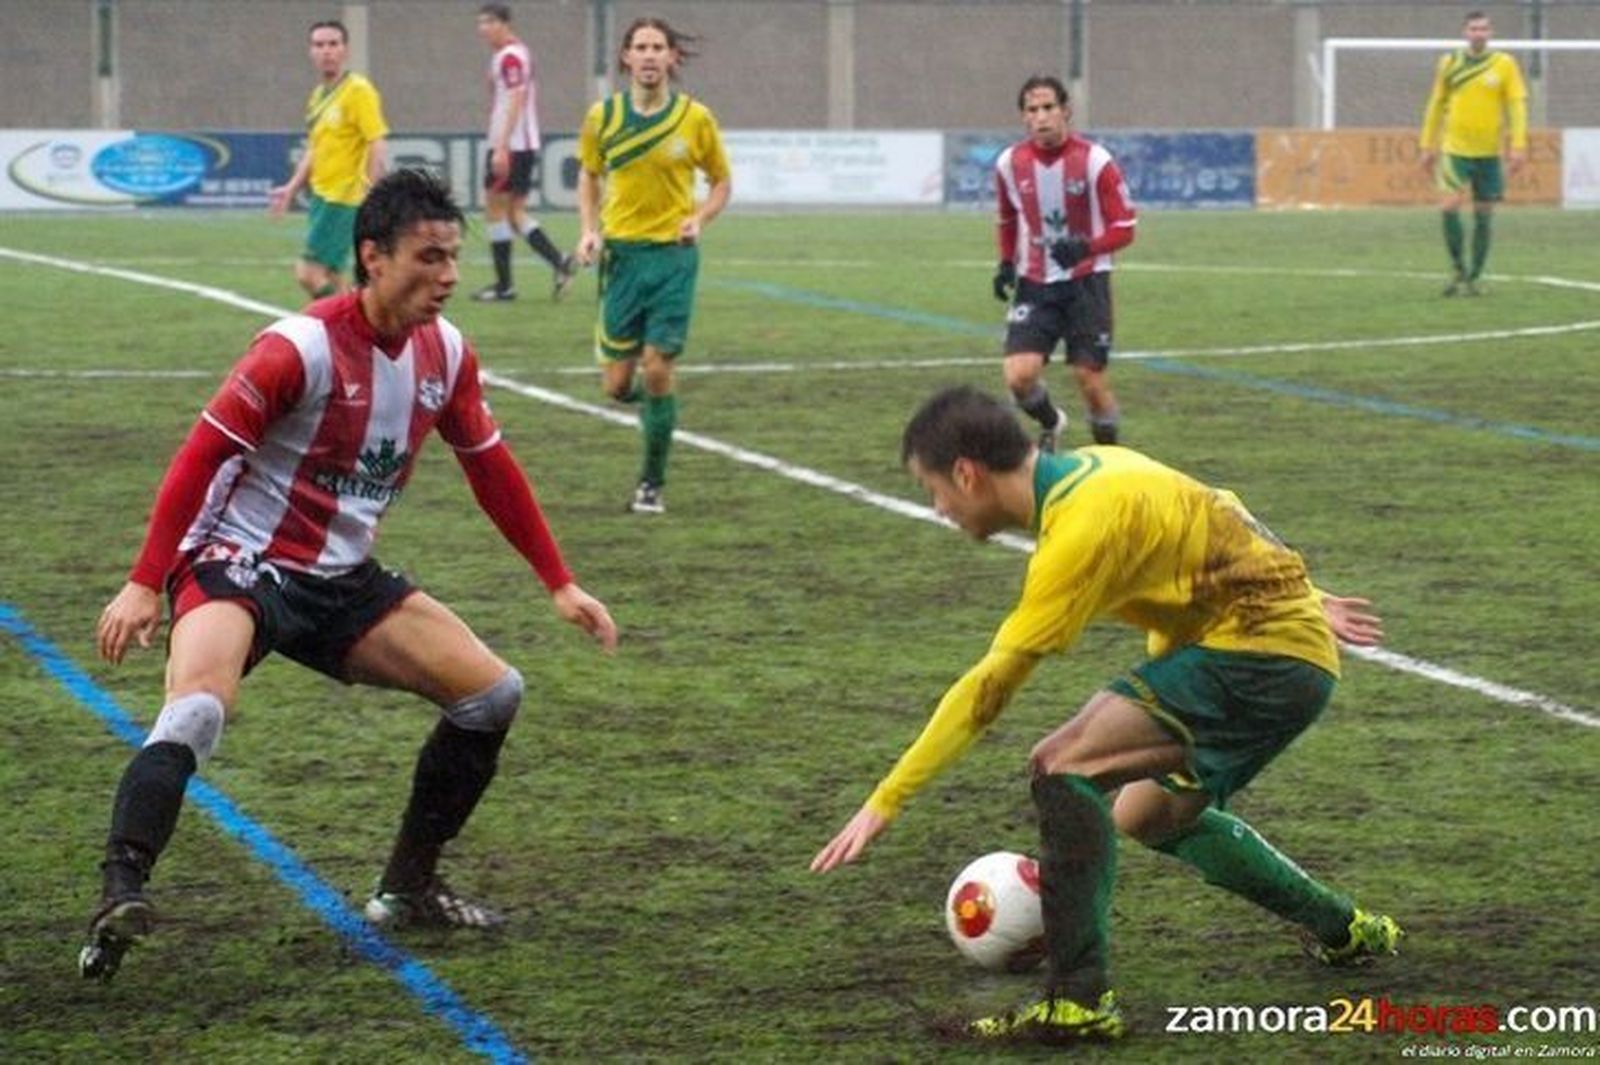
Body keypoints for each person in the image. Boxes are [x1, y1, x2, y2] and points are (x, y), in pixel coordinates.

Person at [79, 170, 618, 983]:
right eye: (427, 257)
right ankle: (121, 890)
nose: (447, 276)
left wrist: (559, 579)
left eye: (452, 258)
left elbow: (491, 466)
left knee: (493, 694)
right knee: (196, 708)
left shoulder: (446, 353)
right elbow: (203, 455)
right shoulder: (297, 348)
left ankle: (408, 887)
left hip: (341, 578)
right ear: (372, 256)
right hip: (241, 561)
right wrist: (144, 579)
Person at [811, 386, 1402, 1043]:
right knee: (1145, 814)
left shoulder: (1079, 529)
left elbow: (989, 689)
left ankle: (1078, 1001)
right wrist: (1301, 594)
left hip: (1259, 659)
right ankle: (1342, 928)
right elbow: (1220, 512)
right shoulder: (1101, 467)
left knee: (1061, 763)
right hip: (1284, 654)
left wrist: (887, 797)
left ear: (966, 473)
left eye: (934, 490)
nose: (938, 508)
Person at [575, 17, 732, 515]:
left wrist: (699, 218)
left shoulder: (695, 119)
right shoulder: (604, 117)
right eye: (639, 47)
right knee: (618, 386)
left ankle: (651, 483)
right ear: (625, 58)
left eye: (656, 47)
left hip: (672, 259)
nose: (647, 55)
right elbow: (589, 174)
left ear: (671, 58)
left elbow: (722, 181)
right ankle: (660, 407)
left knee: (658, 366)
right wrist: (589, 229)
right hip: (622, 259)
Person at [992, 75, 1135, 452]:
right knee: (1019, 377)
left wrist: (1087, 247)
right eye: (1032, 110)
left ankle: (1111, 460)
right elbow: (1007, 219)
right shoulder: (1010, 163)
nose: (1041, 117)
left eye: (1048, 108)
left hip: (1087, 282)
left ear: (1065, 111)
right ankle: (1052, 422)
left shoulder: (1095, 161)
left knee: (1089, 379)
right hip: (1036, 283)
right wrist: (1006, 263)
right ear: (1024, 117)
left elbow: (1125, 226)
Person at [267, 19, 389, 299]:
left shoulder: (359, 90)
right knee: (334, 278)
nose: (326, 51)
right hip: (322, 197)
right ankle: (357, 335)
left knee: (308, 272)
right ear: (311, 52)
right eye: (319, 45)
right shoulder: (317, 96)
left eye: (333, 44)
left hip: (343, 199)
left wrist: (369, 189)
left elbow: (376, 141)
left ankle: (342, 331)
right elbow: (315, 149)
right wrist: (291, 187)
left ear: (345, 50)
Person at [472, 3, 577, 302]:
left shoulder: (510, 57)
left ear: (505, 23)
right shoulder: (514, 53)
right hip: (522, 145)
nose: (483, 29)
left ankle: (505, 286)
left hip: (512, 146)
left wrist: (502, 146)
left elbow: (516, 98)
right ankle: (559, 261)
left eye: (489, 22)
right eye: (481, 23)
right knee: (514, 214)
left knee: (495, 211)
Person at [1419, 10, 1528, 297]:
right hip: (1455, 149)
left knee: (1484, 214)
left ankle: (1474, 277)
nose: (1479, 33)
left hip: (1489, 153)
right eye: (1473, 29)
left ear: (1490, 33)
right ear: (1465, 32)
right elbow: (1435, 104)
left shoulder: (1504, 64)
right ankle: (1458, 269)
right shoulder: (1449, 63)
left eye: (1483, 29)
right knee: (1449, 206)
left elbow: (1516, 106)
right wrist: (1426, 145)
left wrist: (1518, 146)